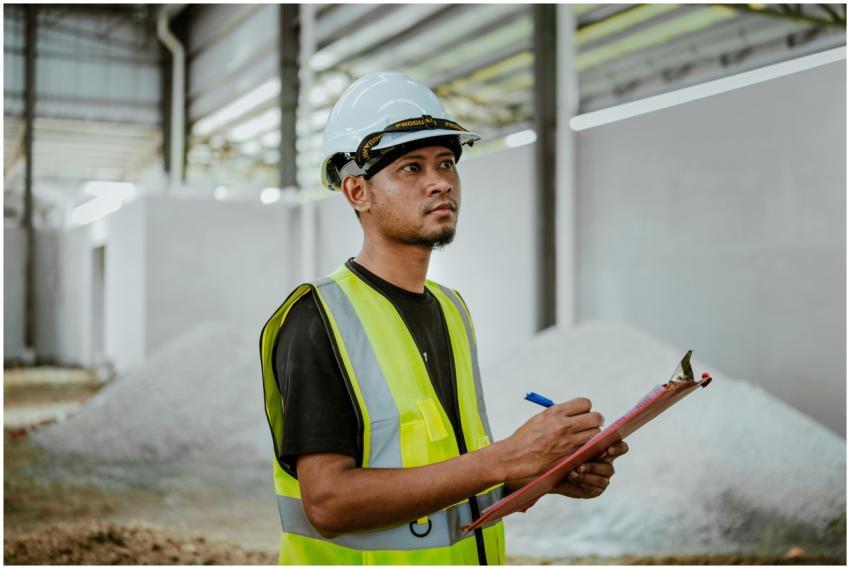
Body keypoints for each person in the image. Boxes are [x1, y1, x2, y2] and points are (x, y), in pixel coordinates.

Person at [259, 71, 628, 565]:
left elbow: (445, 485)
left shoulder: (451, 310)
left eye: (447, 163)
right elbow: (328, 502)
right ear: (356, 192)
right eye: (411, 168)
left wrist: (540, 474)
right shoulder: (317, 319)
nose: (440, 182)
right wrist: (506, 456)